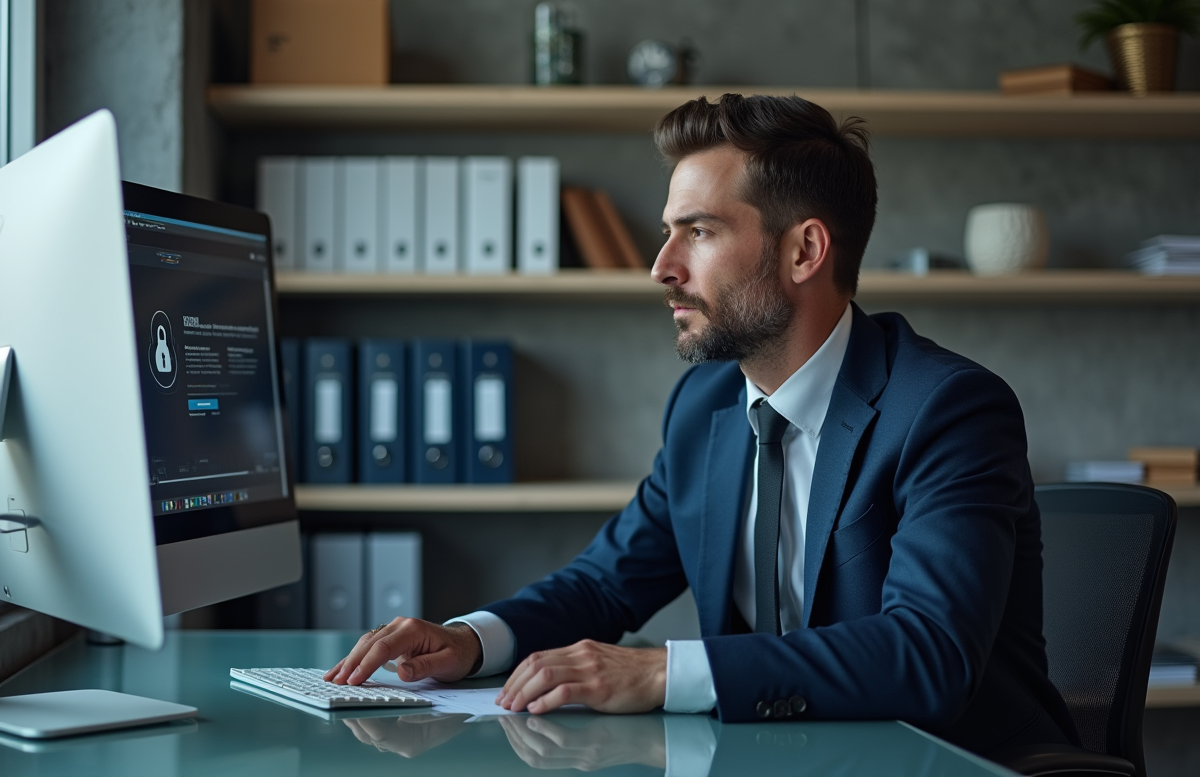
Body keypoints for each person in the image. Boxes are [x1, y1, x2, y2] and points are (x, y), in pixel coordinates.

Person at [325, 93, 1078, 757]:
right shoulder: (706, 407)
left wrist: (662, 671)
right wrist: (471, 639)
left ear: (804, 250)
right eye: (667, 232)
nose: (661, 266)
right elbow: (604, 584)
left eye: (699, 232)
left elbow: (928, 653)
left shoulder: (946, 408)